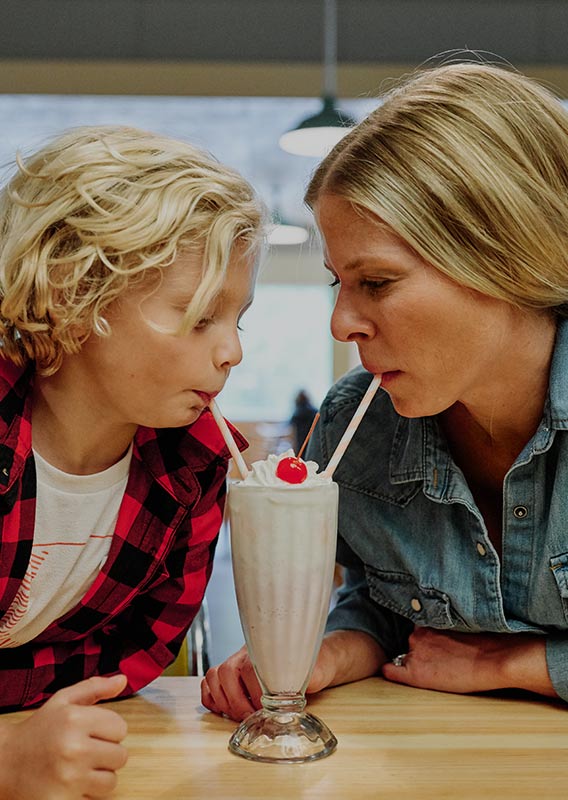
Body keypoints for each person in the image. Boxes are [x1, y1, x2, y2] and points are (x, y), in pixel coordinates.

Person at [201, 59, 568, 723]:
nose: (343, 322)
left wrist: (512, 665)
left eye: (376, 282)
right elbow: (384, 598)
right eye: (336, 283)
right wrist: (329, 653)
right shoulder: (355, 423)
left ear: (505, 256)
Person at [0, 125, 264, 797]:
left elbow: (134, 658)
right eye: (199, 315)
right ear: (72, 294)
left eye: (239, 318)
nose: (232, 350)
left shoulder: (196, 466)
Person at [289, 388, 318, 454]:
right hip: (313, 442)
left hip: (300, 443)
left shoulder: (297, 413)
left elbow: (291, 430)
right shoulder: (315, 411)